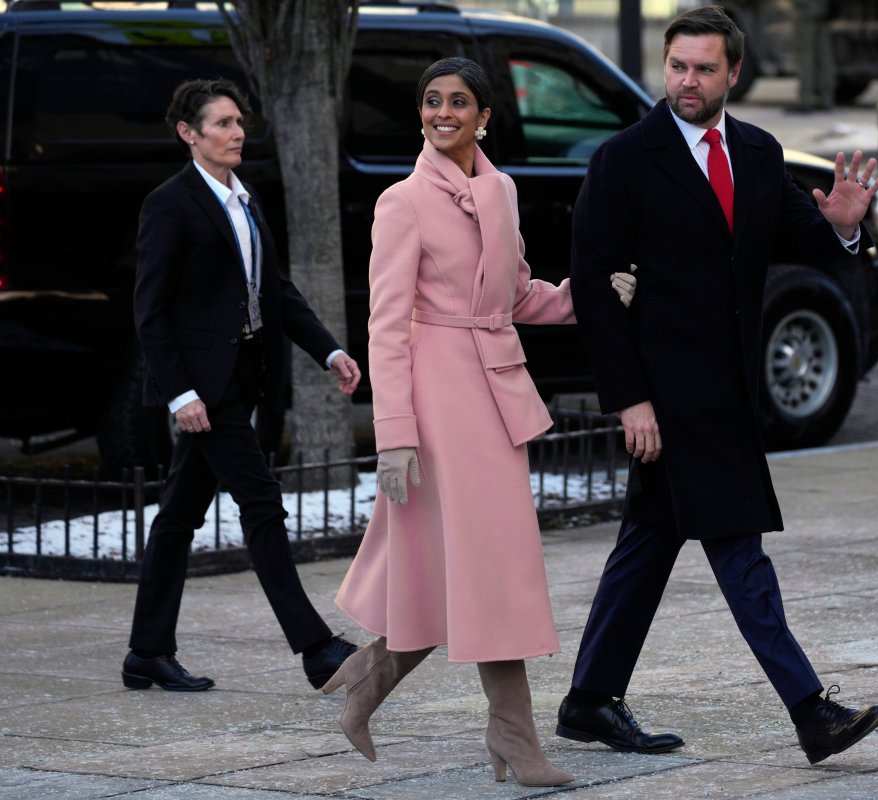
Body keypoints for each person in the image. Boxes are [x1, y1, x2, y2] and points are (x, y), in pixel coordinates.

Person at [560, 5, 878, 767]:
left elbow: (797, 238)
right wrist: (629, 398)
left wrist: (841, 225)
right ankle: (811, 711)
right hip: (670, 401)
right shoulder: (624, 159)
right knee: (741, 554)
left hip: (728, 393)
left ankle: (587, 700)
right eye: (678, 65)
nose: (688, 80)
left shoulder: (757, 150)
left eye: (705, 68)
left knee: (647, 546)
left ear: (733, 73)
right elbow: (593, 287)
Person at [324, 58, 636, 786]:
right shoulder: (401, 202)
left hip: (494, 396)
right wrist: (394, 432)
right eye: (431, 101)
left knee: (461, 572)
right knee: (487, 570)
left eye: (458, 102)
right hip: (435, 399)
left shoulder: (500, 190)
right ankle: (515, 740)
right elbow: (385, 326)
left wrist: (592, 295)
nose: (442, 113)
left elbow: (517, 294)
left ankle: (369, 680)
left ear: (483, 116)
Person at [123, 79, 363, 694]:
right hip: (206, 392)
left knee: (177, 517)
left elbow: (275, 290)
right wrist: (180, 394)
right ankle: (316, 648)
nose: (237, 133)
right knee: (260, 503)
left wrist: (328, 350)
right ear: (189, 133)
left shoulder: (245, 200)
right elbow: (150, 311)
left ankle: (146, 652)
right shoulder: (169, 204)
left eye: (239, 122)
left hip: (246, 378)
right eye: (223, 123)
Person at [791, 0, 835, 111]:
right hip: (823, 9)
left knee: (805, 54)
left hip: (807, 9)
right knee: (824, 55)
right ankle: (827, 99)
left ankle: (805, 100)